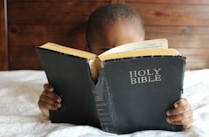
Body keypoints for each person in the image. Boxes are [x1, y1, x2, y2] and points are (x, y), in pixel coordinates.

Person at [38, 3, 193, 130]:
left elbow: (178, 114)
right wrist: (48, 106)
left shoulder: (158, 78)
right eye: (107, 51)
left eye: (130, 50)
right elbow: (55, 111)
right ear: (88, 51)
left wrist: (182, 116)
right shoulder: (75, 80)